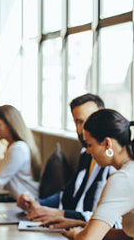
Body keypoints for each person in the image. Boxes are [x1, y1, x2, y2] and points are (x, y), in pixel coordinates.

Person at [44, 109, 134, 240]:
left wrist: (75, 234)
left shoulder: (123, 178)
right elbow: (130, 237)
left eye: (89, 144)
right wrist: (82, 225)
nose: (87, 151)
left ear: (107, 143)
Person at [16, 94, 118, 225]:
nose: (83, 130)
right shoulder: (86, 154)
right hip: (72, 229)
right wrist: (35, 204)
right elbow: (67, 195)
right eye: (79, 122)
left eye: (89, 121)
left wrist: (58, 213)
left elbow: (108, 221)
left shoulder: (115, 164)